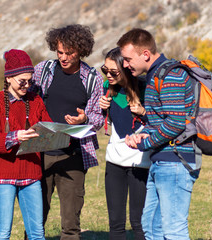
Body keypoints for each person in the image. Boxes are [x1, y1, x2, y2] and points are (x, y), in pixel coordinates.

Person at [118, 28, 199, 240]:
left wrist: (146, 143)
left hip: (175, 162)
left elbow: (175, 123)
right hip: (161, 160)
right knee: (151, 228)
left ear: (145, 54)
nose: (125, 65)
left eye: (127, 59)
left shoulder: (170, 74)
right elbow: (162, 120)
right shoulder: (156, 74)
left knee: (173, 230)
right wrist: (143, 136)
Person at [31, 24, 104, 239]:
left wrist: (85, 119)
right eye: (59, 52)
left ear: (81, 50)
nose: (63, 57)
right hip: (41, 152)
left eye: (69, 53)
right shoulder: (43, 70)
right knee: (35, 219)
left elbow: (99, 118)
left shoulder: (92, 78)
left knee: (71, 224)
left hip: (73, 156)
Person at [0, 49, 51, 240]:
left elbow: (47, 127)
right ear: (8, 78)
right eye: (22, 81)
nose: (27, 85)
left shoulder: (36, 100)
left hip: (31, 175)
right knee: (3, 233)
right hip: (2, 177)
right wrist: (16, 136)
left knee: (37, 233)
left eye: (30, 81)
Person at [99, 47, 150, 240]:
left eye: (114, 72)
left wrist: (144, 112)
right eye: (105, 70)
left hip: (140, 163)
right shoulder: (106, 88)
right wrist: (102, 110)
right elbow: (111, 123)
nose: (108, 75)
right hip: (114, 162)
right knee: (116, 224)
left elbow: (159, 122)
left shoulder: (146, 88)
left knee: (139, 223)